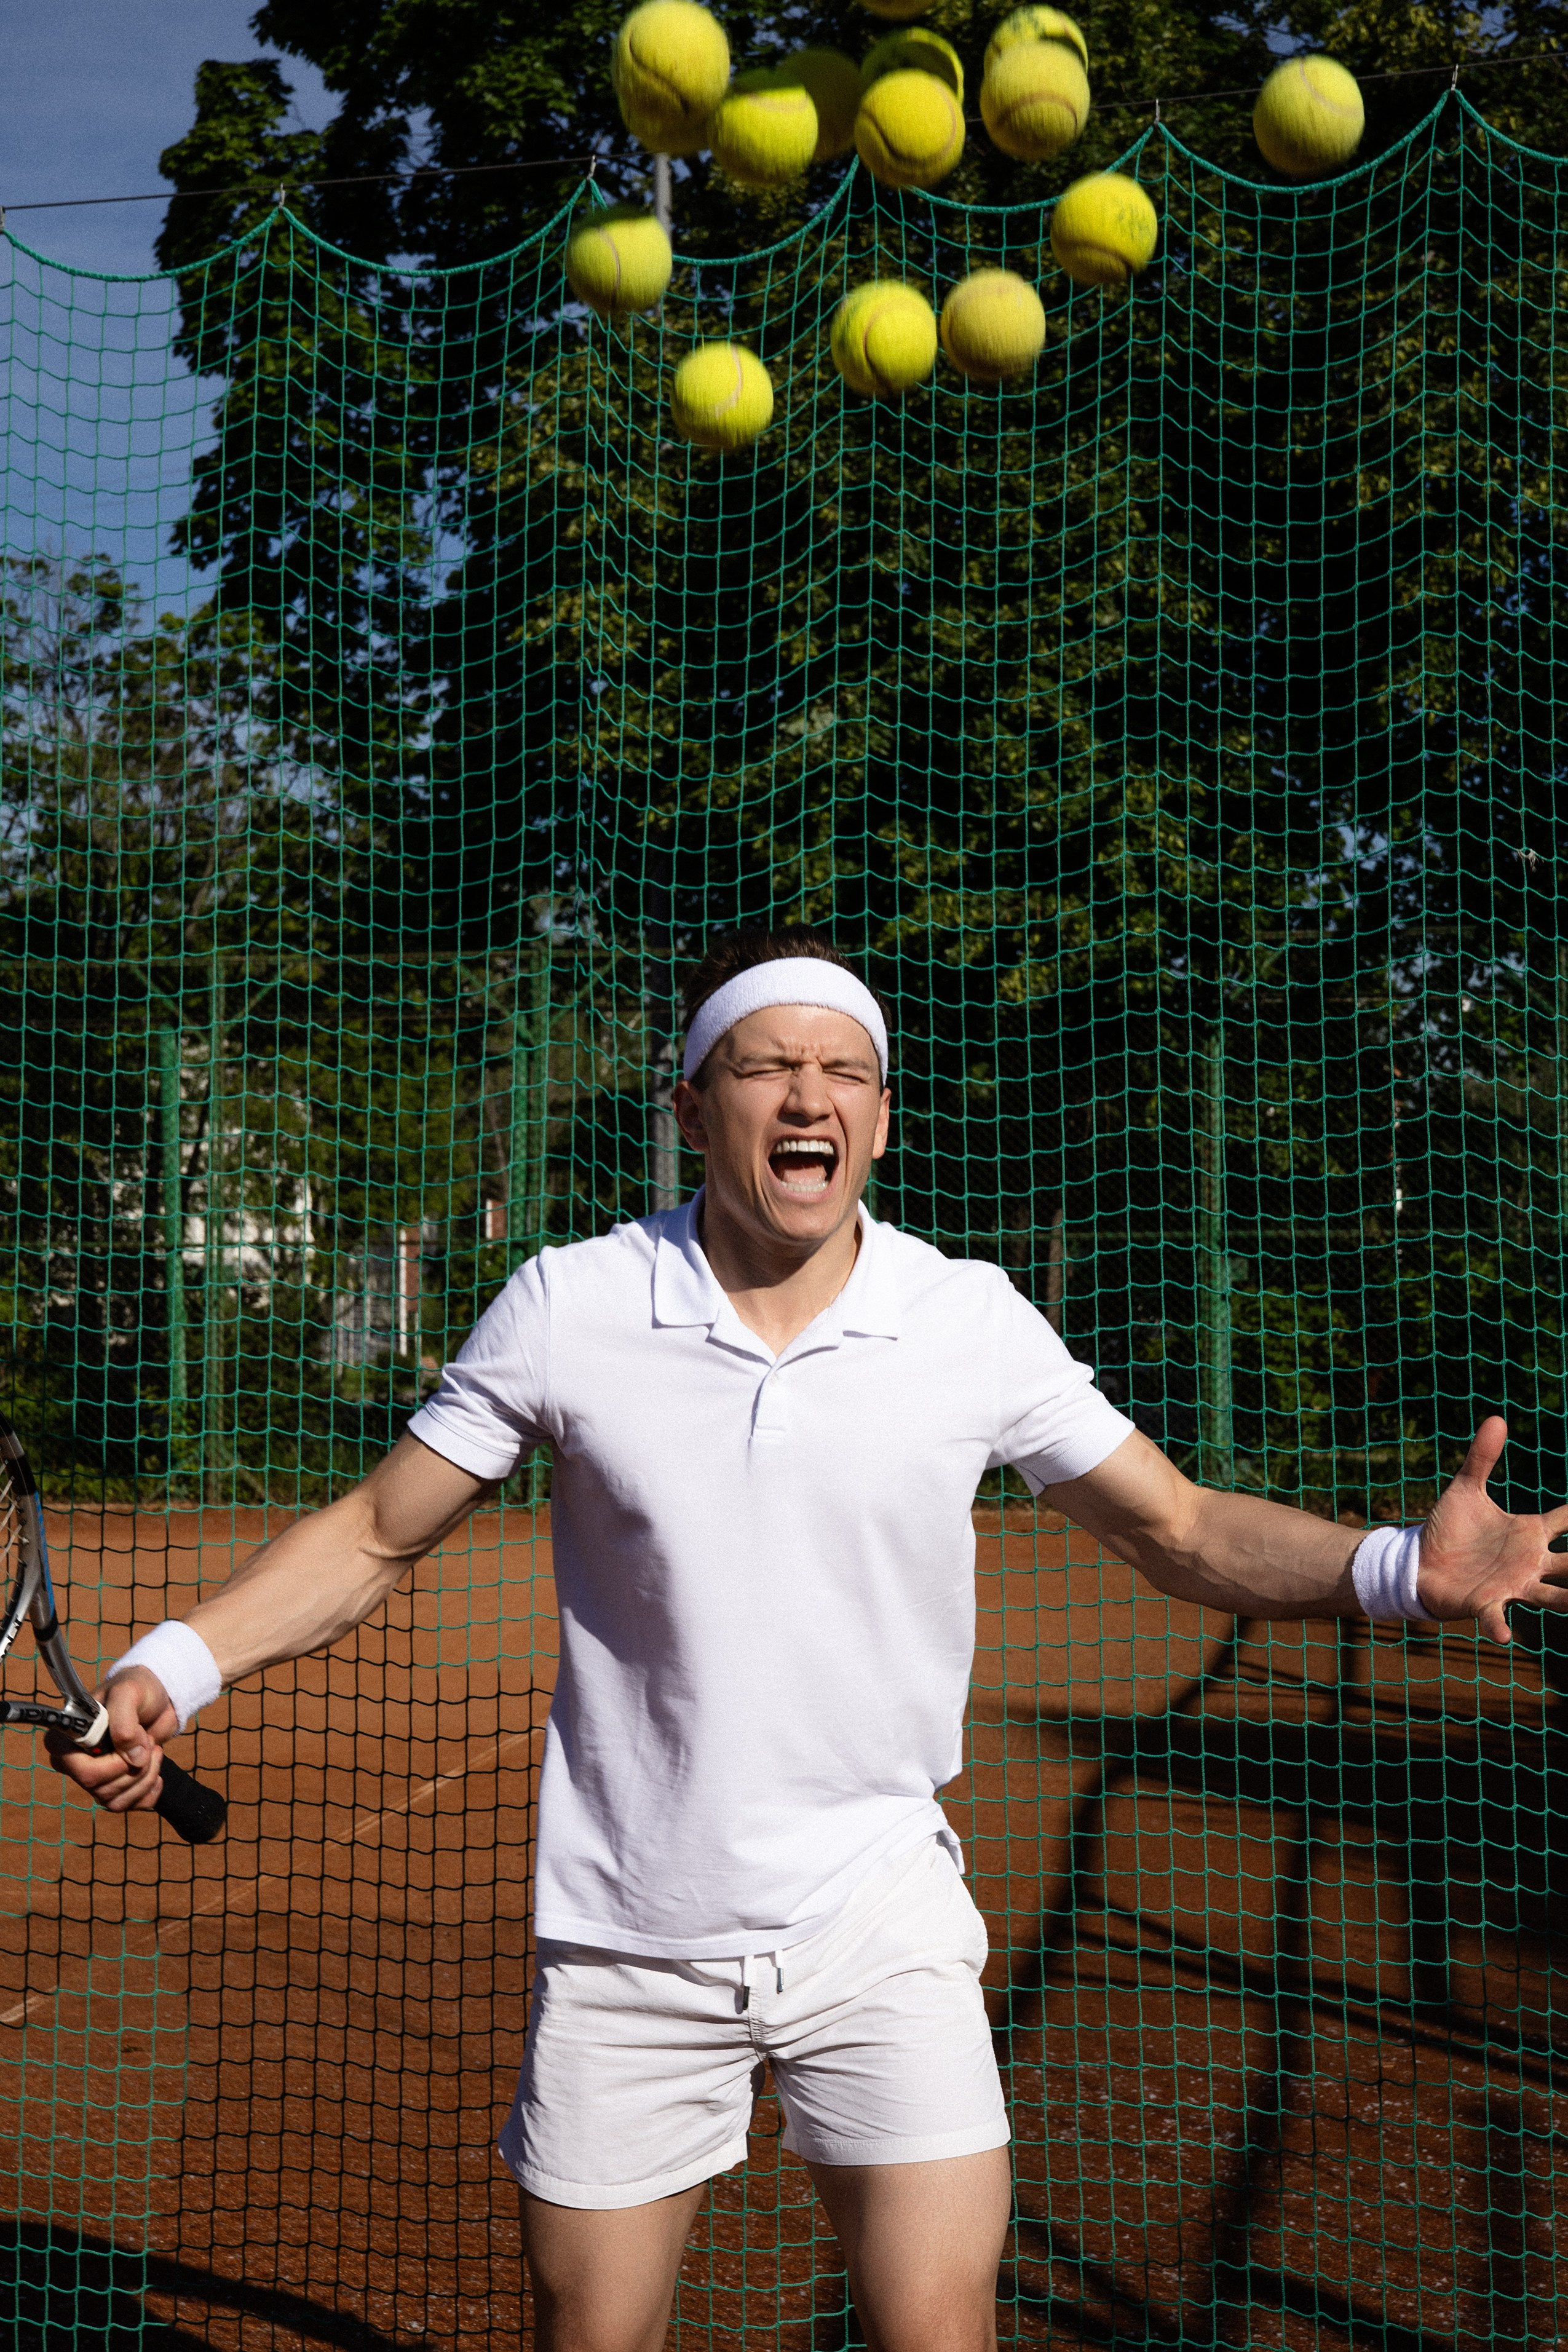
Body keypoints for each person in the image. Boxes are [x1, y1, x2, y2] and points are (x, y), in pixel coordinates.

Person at [53, 927, 1568, 2352]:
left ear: (883, 1116)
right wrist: (177, 1660)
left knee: (935, 2326)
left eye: (843, 1070)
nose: (808, 1095)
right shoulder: (571, 1302)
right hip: (627, 1937)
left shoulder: (964, 1317)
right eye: (769, 1064)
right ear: (695, 1105)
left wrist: (1394, 1568)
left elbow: (1172, 1524)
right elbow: (377, 1532)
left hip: (879, 1918)